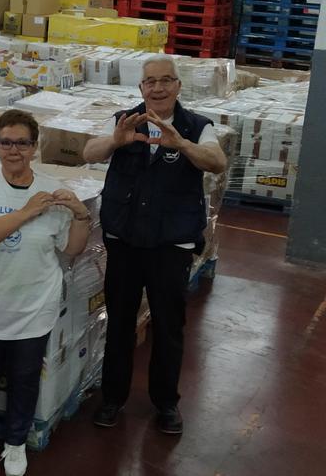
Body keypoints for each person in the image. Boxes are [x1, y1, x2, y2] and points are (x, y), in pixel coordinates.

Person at [83, 55, 227, 435]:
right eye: (151, 82)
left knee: (168, 326)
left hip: (170, 244)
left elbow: (217, 162)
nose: (158, 88)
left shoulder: (197, 126)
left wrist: (182, 144)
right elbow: (89, 153)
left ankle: (166, 404)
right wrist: (116, 140)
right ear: (141, 88)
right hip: (125, 241)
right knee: (120, 323)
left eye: (166, 80)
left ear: (178, 86)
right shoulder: (124, 120)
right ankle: (113, 398)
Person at [0, 110, 92, 476]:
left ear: (34, 147)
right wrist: (26, 212)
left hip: (33, 306)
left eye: (22, 143)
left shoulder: (51, 191)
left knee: (25, 377)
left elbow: (72, 249)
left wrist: (81, 217)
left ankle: (15, 443)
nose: (14, 150)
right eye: (6, 142)